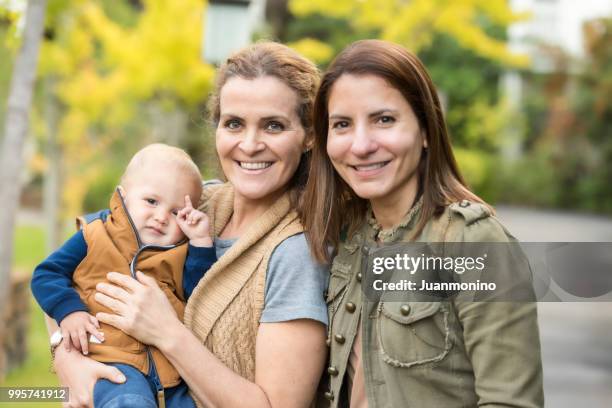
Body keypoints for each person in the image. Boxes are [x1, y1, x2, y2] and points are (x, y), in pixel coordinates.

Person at [47, 42, 329, 408]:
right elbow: (77, 265)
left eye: (273, 125)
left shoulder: (295, 253)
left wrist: (166, 332)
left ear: (308, 136)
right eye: (234, 124)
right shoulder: (193, 203)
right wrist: (67, 360)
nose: (249, 143)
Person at [301, 39, 544, 407]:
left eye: (384, 119)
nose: (361, 144)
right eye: (342, 124)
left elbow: (511, 402)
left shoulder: (472, 241)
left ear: (426, 129)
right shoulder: (346, 234)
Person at [33, 143, 215, 407]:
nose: (161, 217)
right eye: (151, 201)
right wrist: (70, 312)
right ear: (122, 197)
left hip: (169, 372)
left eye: (176, 212)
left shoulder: (180, 253)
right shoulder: (95, 234)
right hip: (110, 360)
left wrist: (200, 244)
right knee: (129, 401)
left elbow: (198, 295)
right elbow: (47, 274)